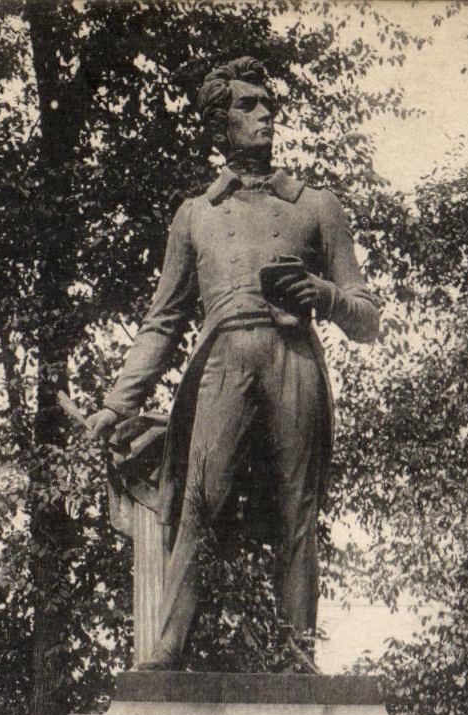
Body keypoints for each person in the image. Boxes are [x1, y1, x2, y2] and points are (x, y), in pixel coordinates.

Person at [85, 56, 379, 670]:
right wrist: (118, 403)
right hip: (222, 362)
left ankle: (298, 655)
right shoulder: (196, 215)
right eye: (248, 106)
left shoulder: (317, 206)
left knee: (299, 511)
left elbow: (368, 317)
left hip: (294, 361)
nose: (266, 114)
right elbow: (163, 321)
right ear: (219, 125)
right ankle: (169, 649)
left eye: (268, 103)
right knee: (200, 503)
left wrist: (320, 295)